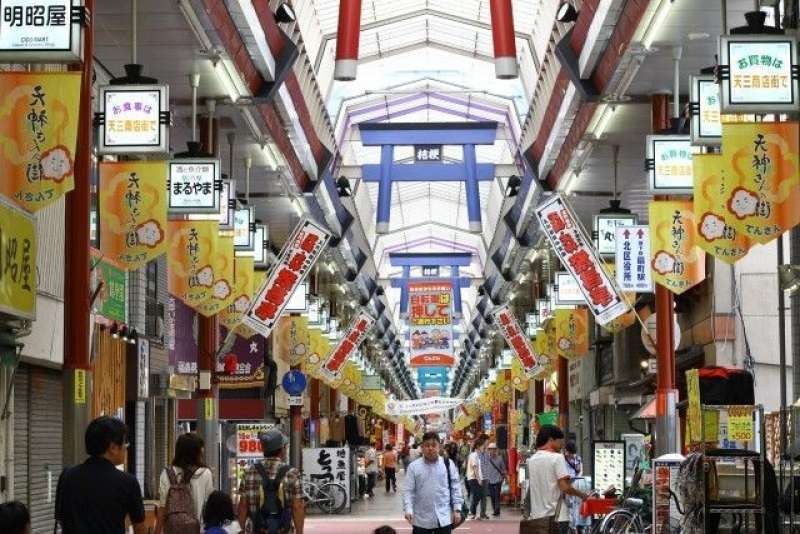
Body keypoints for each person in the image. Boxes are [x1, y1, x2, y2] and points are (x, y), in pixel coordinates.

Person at [55, 416, 146, 534]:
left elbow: (61, 520)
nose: (126, 448)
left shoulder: (67, 475)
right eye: (124, 443)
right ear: (112, 447)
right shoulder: (128, 482)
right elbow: (139, 527)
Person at [238, 428, 304, 534]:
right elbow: (297, 507)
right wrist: (300, 532)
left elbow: (243, 506)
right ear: (281, 449)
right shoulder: (292, 473)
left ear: (263, 449)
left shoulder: (249, 472)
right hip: (283, 530)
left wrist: (240, 530)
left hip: (256, 530)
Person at [525, 425, 588, 534]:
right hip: (557, 517)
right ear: (550, 440)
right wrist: (582, 495)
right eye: (560, 441)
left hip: (537, 517)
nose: (562, 444)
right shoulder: (557, 458)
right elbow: (565, 487)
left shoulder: (531, 460)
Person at [404, 431, 464, 534]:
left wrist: (457, 509)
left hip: (443, 518)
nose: (430, 448)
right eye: (427, 445)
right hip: (421, 521)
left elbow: (455, 487)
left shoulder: (448, 464)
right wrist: (408, 509)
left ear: (439, 447)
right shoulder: (413, 467)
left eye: (433, 445)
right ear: (422, 447)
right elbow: (408, 491)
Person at [155, 432, 215, 534]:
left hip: (171, 529)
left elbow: (162, 508)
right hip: (196, 529)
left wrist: (157, 531)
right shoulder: (205, 473)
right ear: (196, 452)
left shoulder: (166, 473)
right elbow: (209, 505)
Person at [484, 443, 507, 517]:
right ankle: (495, 509)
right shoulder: (487, 459)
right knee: (492, 496)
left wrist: (504, 477)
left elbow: (503, 469)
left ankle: (496, 510)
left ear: (496, 450)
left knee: (497, 495)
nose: (492, 451)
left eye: (494, 450)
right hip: (490, 480)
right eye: (490, 450)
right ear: (488, 450)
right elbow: (485, 469)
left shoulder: (500, 458)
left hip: (498, 480)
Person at [465, 438, 485, 520]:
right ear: (478, 446)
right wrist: (479, 479)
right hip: (473, 478)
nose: (483, 447)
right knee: (477, 495)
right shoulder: (474, 455)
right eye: (482, 446)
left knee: (477, 495)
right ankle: (471, 512)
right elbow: (475, 467)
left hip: (474, 478)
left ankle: (473, 513)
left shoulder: (476, 455)